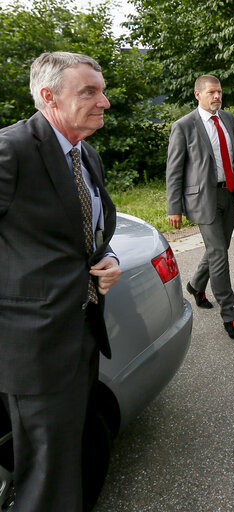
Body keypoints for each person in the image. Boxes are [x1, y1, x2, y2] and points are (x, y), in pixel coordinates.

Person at [0, 51, 121, 512]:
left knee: (78, 458)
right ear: (48, 97)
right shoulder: (11, 149)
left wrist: (106, 257)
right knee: (45, 476)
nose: (104, 101)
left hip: (82, 334)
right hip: (33, 348)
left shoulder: (84, 152)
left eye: (102, 89)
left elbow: (92, 230)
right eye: (89, 91)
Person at [166, 75, 234, 340]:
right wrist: (174, 207)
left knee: (219, 248)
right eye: (212, 93)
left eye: (219, 92)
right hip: (202, 199)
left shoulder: (227, 119)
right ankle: (229, 316)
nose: (217, 97)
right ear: (198, 95)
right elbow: (174, 170)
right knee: (219, 254)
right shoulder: (184, 126)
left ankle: (195, 285)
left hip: (228, 194)